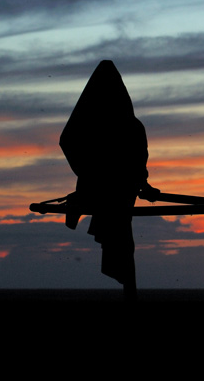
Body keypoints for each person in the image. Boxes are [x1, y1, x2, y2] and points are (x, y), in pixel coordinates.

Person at [60, 60, 153, 301]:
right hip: (111, 195)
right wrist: (91, 175)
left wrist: (143, 184)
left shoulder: (126, 127)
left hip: (118, 194)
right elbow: (137, 163)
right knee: (124, 245)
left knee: (123, 244)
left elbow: (137, 163)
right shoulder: (118, 127)